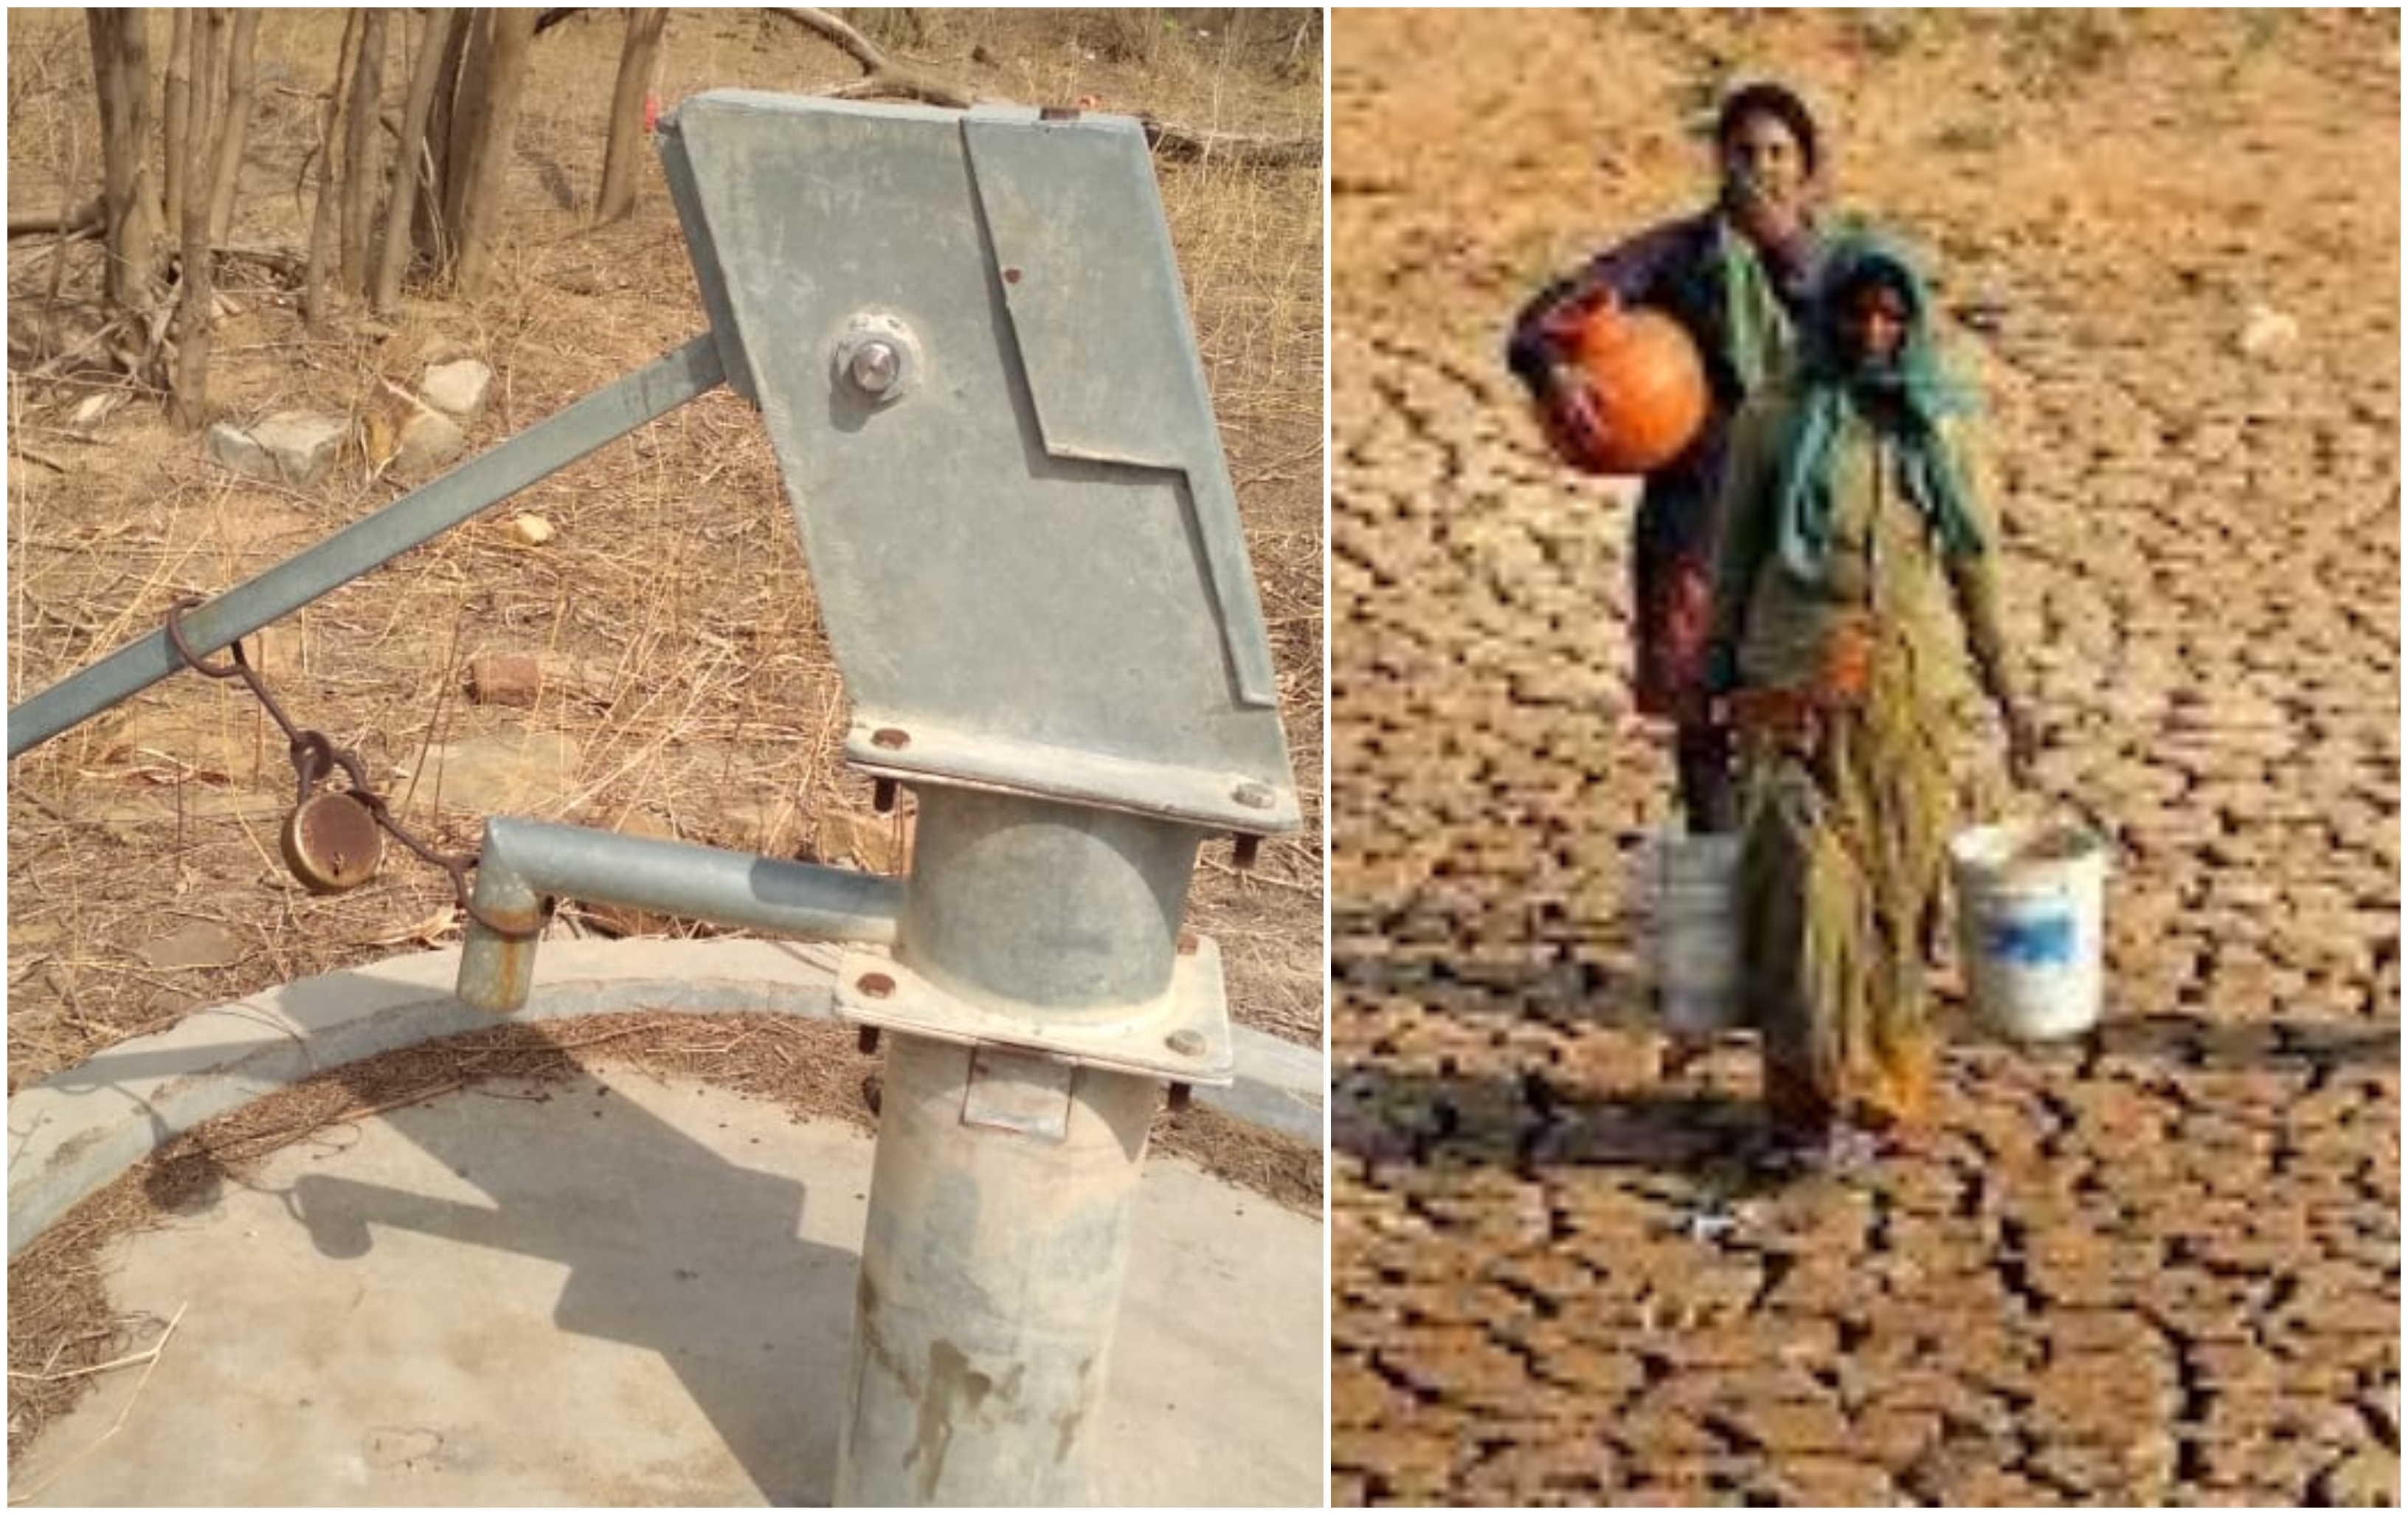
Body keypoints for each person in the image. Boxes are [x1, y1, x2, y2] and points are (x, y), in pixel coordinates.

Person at [1703, 232, 2037, 1170]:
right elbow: (1732, 563)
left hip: (1910, 695)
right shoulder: (1776, 417)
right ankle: (1805, 1106)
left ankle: (1882, 1087)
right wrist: (1710, 679)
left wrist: (2008, 689)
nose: (1874, 331)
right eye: (1858, 312)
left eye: (1893, 317)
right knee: (1805, 893)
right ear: (1831, 315)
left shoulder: (1944, 422)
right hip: (1791, 686)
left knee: (1897, 903)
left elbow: (1975, 563)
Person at [1507, 81, 1835, 833]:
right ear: (1720, 160)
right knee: (1702, 718)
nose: (1763, 168)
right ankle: (1720, 881)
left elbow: (1870, 346)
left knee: (1803, 718)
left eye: (1779, 153)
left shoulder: (1837, 269)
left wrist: (1785, 249)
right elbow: (1539, 321)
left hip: (1808, 528)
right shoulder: (1676, 257)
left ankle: (1795, 893)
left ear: (1806, 168)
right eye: (1746, 151)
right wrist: (1555, 369)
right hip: (1697, 524)